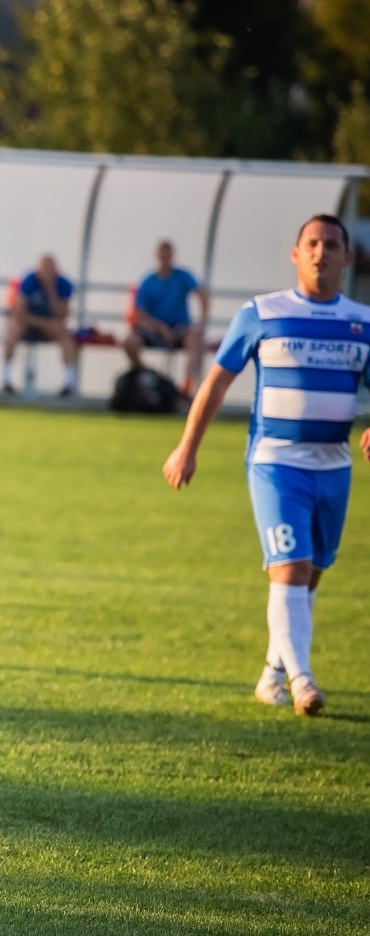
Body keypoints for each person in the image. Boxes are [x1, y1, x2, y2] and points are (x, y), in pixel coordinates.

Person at [162, 215, 370, 716]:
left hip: (334, 466)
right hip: (276, 463)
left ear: (347, 257)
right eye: (312, 243)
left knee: (311, 574)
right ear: (296, 254)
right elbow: (216, 382)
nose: (321, 252)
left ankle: (272, 673)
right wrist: (187, 447)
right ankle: (303, 681)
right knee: (291, 568)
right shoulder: (261, 313)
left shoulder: (363, 322)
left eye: (332, 245)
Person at [122, 240, 209, 392]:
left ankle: (188, 387)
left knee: (195, 342)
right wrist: (160, 328)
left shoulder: (182, 276)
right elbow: (139, 315)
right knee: (129, 342)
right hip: (154, 330)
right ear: (157, 256)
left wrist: (202, 323)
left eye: (168, 255)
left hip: (179, 328)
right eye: (162, 255)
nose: (165, 259)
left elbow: (202, 294)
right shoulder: (148, 281)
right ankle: (143, 375)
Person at [3, 254, 80, 397]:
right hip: (29, 324)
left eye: (50, 269)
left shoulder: (63, 284)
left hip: (49, 327)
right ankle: (6, 380)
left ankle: (68, 384)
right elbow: (19, 314)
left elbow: (62, 315)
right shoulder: (29, 281)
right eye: (44, 269)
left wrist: (50, 291)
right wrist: (45, 323)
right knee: (12, 331)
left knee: (65, 336)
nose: (47, 273)